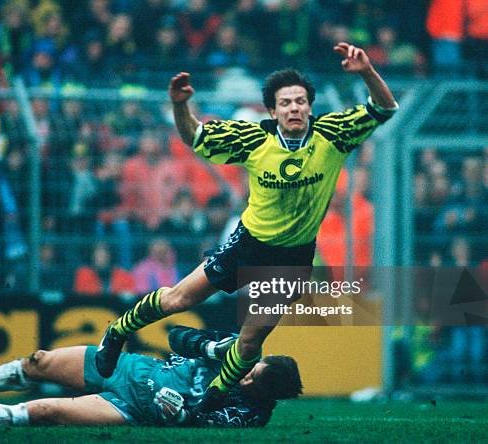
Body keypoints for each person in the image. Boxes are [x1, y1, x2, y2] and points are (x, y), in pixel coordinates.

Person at [96, 42, 398, 412]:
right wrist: (179, 105)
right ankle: (117, 332)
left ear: (310, 107)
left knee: (252, 340)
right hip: (248, 243)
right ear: (272, 110)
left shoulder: (333, 134)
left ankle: (213, 398)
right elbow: (196, 137)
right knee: (179, 299)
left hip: (294, 256)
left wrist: (367, 71)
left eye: (300, 101)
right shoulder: (254, 139)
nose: (294, 108)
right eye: (286, 102)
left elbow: (385, 108)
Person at [0, 326, 302, 427]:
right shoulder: (245, 351)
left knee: (44, 409)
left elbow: (202, 422)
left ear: (271, 396)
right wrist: (211, 349)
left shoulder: (252, 415)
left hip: (130, 407)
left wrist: (182, 410)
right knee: (38, 361)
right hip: (128, 367)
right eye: (254, 373)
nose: (247, 379)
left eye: (256, 384)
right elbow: (177, 335)